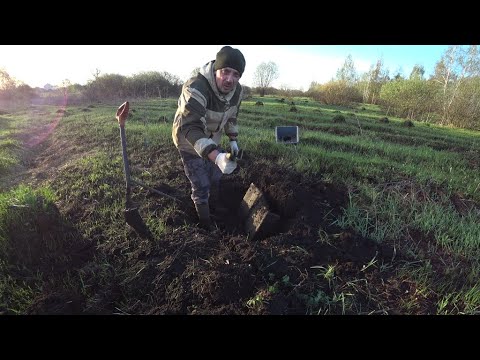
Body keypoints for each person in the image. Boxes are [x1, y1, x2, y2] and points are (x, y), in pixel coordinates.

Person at [172, 46, 245, 230]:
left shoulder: (237, 91)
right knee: (201, 183)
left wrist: (233, 139)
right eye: (225, 71)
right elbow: (190, 127)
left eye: (235, 74)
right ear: (215, 69)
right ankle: (205, 223)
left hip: (213, 138)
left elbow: (232, 116)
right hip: (189, 140)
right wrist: (217, 156)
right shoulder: (196, 87)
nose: (229, 79)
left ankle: (216, 206)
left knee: (215, 175)